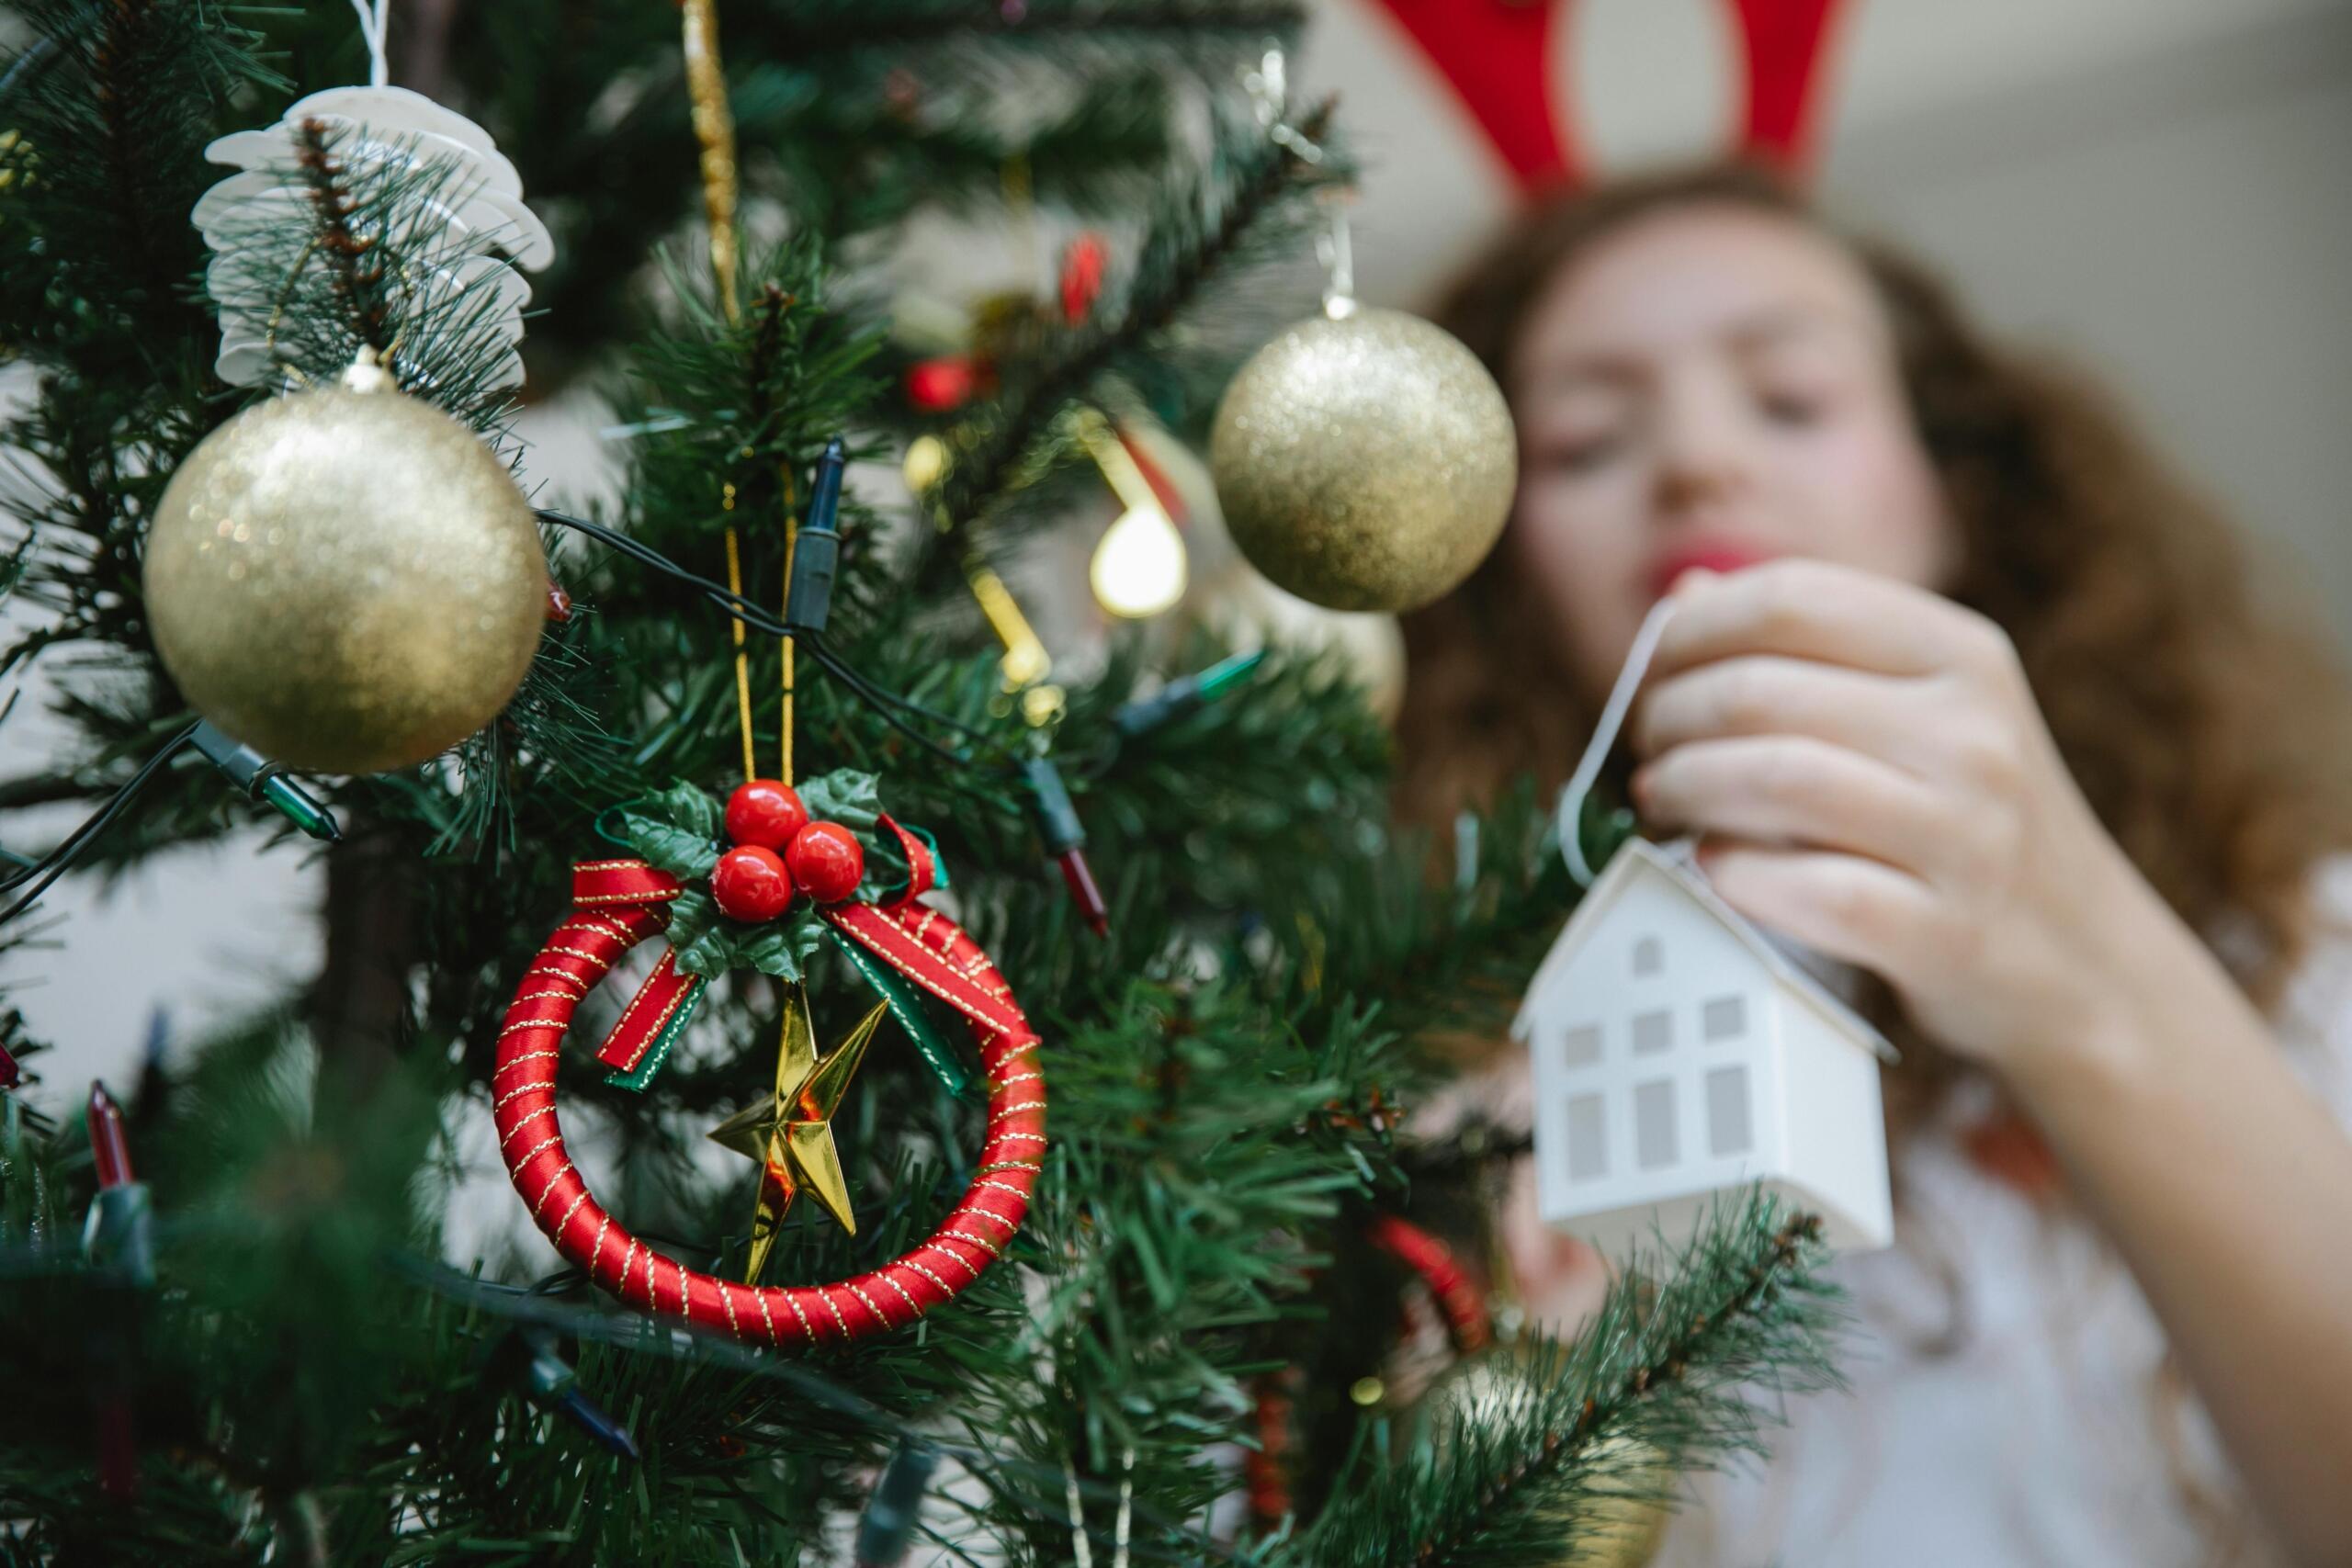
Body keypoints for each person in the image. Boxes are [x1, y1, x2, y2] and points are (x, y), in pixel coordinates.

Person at [1396, 163, 2352, 1567]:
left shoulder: (2304, 963)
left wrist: (2091, 976)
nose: (1698, 464)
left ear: (1953, 492)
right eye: (1587, 441)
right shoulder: (1447, 1105)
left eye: (1790, 400)